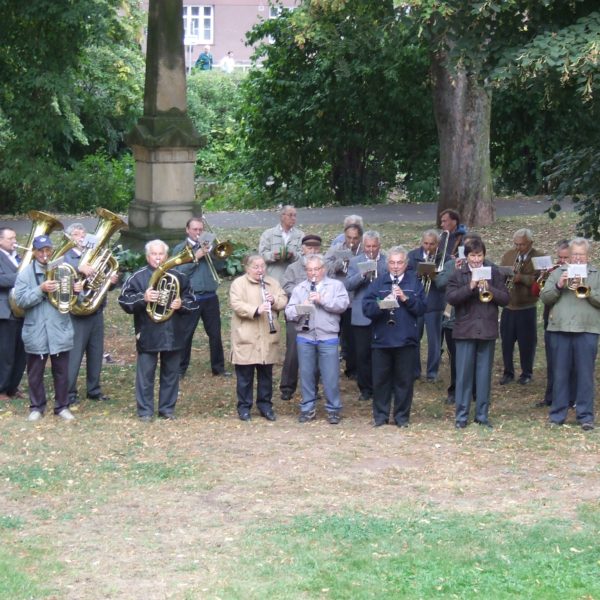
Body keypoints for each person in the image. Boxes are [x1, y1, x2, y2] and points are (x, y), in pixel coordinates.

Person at [118, 240, 196, 421]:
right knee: (145, 375)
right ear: (147, 257)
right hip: (148, 332)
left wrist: (181, 304)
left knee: (171, 375)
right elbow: (124, 301)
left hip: (173, 333)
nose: (158, 258)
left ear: (167, 256)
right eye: (154, 254)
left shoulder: (179, 276)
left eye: (161, 254)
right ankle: (145, 411)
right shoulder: (138, 276)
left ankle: (167, 409)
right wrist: (143, 298)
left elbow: (192, 303)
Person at [13, 235, 82, 422]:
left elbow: (73, 302)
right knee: (35, 373)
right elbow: (20, 301)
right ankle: (37, 407)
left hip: (59, 328)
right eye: (40, 251)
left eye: (48, 250)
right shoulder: (25, 274)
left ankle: (62, 407)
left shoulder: (63, 269)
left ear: (52, 250)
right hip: (36, 330)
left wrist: (76, 291)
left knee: (62, 372)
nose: (45, 254)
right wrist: (40, 289)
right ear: (34, 252)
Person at [446, 237, 509, 429]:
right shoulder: (458, 274)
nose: (476, 259)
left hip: (487, 330)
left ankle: (482, 416)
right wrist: (471, 286)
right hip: (465, 330)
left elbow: (505, 299)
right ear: (467, 256)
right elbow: (451, 298)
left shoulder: (494, 273)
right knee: (464, 376)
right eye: (472, 256)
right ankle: (461, 416)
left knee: (483, 376)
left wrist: (490, 288)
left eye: (479, 255)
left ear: (484, 255)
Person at [363, 246, 426, 428]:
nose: (396, 266)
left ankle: (401, 417)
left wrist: (406, 299)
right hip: (382, 340)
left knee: (404, 381)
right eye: (392, 262)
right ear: (387, 264)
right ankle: (380, 416)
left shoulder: (414, 282)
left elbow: (422, 308)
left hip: (406, 339)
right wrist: (382, 304)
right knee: (381, 380)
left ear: (406, 264)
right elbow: (367, 308)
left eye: (399, 263)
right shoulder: (379, 282)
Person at [540, 237, 600, 431]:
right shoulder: (557, 272)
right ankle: (558, 414)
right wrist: (559, 285)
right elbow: (545, 297)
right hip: (560, 329)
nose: (578, 258)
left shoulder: (596, 274)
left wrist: (588, 291)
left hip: (587, 329)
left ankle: (585, 416)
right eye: (575, 254)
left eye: (581, 255)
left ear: (587, 255)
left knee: (585, 375)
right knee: (560, 374)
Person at [285, 254, 349, 424]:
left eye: (316, 269)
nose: (313, 273)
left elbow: (343, 305)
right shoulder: (300, 289)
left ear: (323, 269)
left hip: (328, 336)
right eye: (309, 270)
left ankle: (333, 409)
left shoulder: (336, 286)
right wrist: (302, 307)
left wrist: (322, 300)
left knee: (330, 376)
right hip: (305, 336)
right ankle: (308, 408)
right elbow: (289, 313)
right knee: (306, 375)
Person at [63, 223, 118, 406]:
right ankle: (69, 392)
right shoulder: (66, 257)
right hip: (78, 313)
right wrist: (79, 268)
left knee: (96, 352)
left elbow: (103, 283)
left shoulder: (96, 255)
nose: (81, 237)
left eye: (83, 233)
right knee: (75, 354)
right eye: (76, 234)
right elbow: (60, 274)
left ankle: (94, 390)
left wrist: (110, 280)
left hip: (96, 310)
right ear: (69, 238)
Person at [229, 255, 287, 421]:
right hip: (246, 335)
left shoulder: (272, 283)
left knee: (266, 375)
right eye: (256, 267)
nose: (260, 270)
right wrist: (256, 309)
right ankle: (244, 407)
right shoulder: (239, 284)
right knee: (245, 377)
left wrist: (274, 300)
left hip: (267, 336)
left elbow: (283, 299)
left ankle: (265, 406)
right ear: (247, 268)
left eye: (262, 266)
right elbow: (236, 304)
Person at [172, 218, 229, 378]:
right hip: (191, 297)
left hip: (210, 296)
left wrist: (215, 255)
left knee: (215, 334)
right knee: (186, 334)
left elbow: (220, 267)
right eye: (195, 229)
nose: (198, 233)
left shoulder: (209, 246)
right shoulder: (180, 249)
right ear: (187, 230)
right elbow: (179, 272)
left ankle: (218, 368)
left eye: (200, 230)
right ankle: (179, 369)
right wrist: (196, 257)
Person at [345, 230, 386, 402]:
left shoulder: (386, 261)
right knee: (362, 353)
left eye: (374, 246)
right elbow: (348, 284)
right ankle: (365, 389)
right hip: (361, 313)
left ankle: (380, 387)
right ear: (363, 246)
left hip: (381, 312)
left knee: (381, 353)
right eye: (368, 246)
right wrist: (362, 274)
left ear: (379, 246)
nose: (371, 250)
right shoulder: (356, 261)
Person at [280, 234, 323, 401]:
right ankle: (287, 387)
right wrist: (303, 292)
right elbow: (286, 285)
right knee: (292, 352)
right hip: (296, 314)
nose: (312, 251)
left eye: (316, 248)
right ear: (302, 249)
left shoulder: (323, 268)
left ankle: (313, 388)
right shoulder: (293, 267)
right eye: (309, 248)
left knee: (316, 352)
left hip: (318, 314)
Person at [499, 228, 542, 385]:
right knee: (506, 342)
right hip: (509, 306)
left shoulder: (539, 257)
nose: (518, 247)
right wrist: (505, 274)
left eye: (522, 245)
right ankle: (508, 372)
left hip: (527, 307)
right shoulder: (508, 255)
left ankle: (526, 372)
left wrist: (521, 278)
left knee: (527, 343)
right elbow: (500, 273)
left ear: (530, 243)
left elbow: (541, 279)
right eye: (516, 244)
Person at [407, 229, 447, 382]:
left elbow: (445, 282)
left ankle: (432, 372)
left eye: (432, 244)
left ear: (438, 244)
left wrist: (434, 275)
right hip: (417, 302)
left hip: (435, 303)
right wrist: (417, 274)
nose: (428, 247)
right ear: (421, 242)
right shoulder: (412, 256)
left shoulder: (444, 257)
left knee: (434, 340)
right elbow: (407, 276)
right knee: (414, 337)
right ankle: (414, 371)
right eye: (425, 243)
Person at [536, 240, 572, 408]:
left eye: (566, 258)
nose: (562, 261)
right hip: (551, 320)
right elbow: (537, 292)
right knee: (552, 362)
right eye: (560, 257)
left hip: (570, 322)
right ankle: (550, 396)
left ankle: (571, 398)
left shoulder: (579, 273)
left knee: (571, 363)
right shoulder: (553, 272)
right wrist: (543, 276)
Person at [325, 223, 363, 379]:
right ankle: (330, 367)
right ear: (344, 236)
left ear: (360, 238)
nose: (351, 241)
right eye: (349, 237)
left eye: (355, 238)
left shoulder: (363, 250)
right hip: (337, 297)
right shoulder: (335, 249)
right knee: (333, 333)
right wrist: (338, 264)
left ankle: (352, 368)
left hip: (354, 299)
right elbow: (324, 268)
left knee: (351, 336)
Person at [0, 227, 26, 401]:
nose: (14, 241)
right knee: (6, 353)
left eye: (15, 238)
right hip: (5, 311)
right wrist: (22, 277)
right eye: (10, 238)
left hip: (22, 310)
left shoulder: (18, 257)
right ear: (0, 240)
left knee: (21, 353)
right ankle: (1, 389)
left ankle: (13, 387)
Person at [259, 205, 304, 284]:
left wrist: (293, 255)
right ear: (282, 216)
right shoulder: (268, 234)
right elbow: (261, 256)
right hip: (273, 278)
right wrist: (273, 255)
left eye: (295, 215)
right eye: (290, 215)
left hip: (293, 279)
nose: (293, 218)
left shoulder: (300, 235)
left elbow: (303, 258)